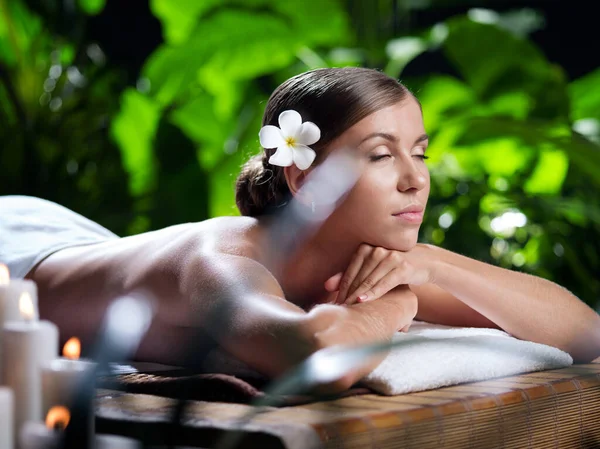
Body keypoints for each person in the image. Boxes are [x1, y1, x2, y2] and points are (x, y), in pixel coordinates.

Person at [2, 67, 599, 393]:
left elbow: (586, 335)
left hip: (88, 246)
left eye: (419, 152)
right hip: (16, 251)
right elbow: (316, 357)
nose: (415, 180)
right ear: (302, 178)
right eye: (379, 155)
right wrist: (400, 305)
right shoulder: (220, 262)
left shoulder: (376, 258)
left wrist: (433, 266)